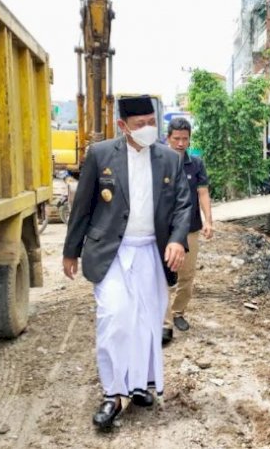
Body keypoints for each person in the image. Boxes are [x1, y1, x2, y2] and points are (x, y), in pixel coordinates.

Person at [62, 96, 192, 430]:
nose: (148, 129)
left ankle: (139, 386)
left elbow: (182, 205)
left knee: (146, 321)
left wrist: (177, 239)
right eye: (140, 124)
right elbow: (83, 207)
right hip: (112, 252)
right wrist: (70, 250)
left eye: (152, 121)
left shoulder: (168, 158)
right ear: (122, 126)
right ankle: (113, 393)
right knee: (115, 316)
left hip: (151, 250)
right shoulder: (101, 155)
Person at [162, 118, 213, 344]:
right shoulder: (159, 163)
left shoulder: (196, 164)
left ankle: (178, 312)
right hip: (163, 229)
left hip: (190, 229)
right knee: (162, 276)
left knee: (187, 275)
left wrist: (208, 221)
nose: (181, 143)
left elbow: (203, 193)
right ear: (168, 138)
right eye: (176, 139)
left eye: (185, 139)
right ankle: (164, 322)